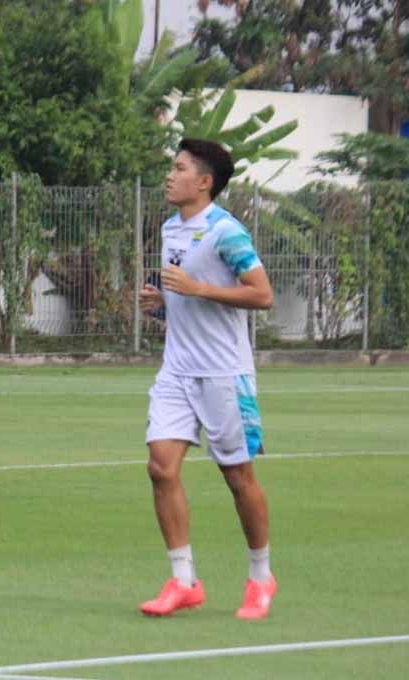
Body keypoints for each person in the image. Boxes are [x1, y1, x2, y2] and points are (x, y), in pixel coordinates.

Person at [138, 138, 277, 620]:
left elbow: (261, 296)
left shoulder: (226, 232)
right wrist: (162, 305)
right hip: (177, 368)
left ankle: (261, 578)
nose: (169, 175)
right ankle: (183, 580)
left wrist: (197, 288)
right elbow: (187, 300)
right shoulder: (170, 228)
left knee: (238, 477)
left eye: (178, 168)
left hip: (224, 374)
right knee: (161, 466)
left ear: (204, 182)